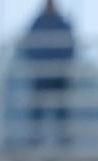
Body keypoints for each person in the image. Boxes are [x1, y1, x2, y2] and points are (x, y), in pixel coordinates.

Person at [21, 0, 75, 145]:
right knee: (37, 108)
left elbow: (69, 47)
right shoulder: (38, 24)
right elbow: (30, 46)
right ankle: (34, 139)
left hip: (58, 74)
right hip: (41, 74)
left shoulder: (61, 23)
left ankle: (64, 139)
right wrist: (38, 66)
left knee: (61, 109)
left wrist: (60, 65)